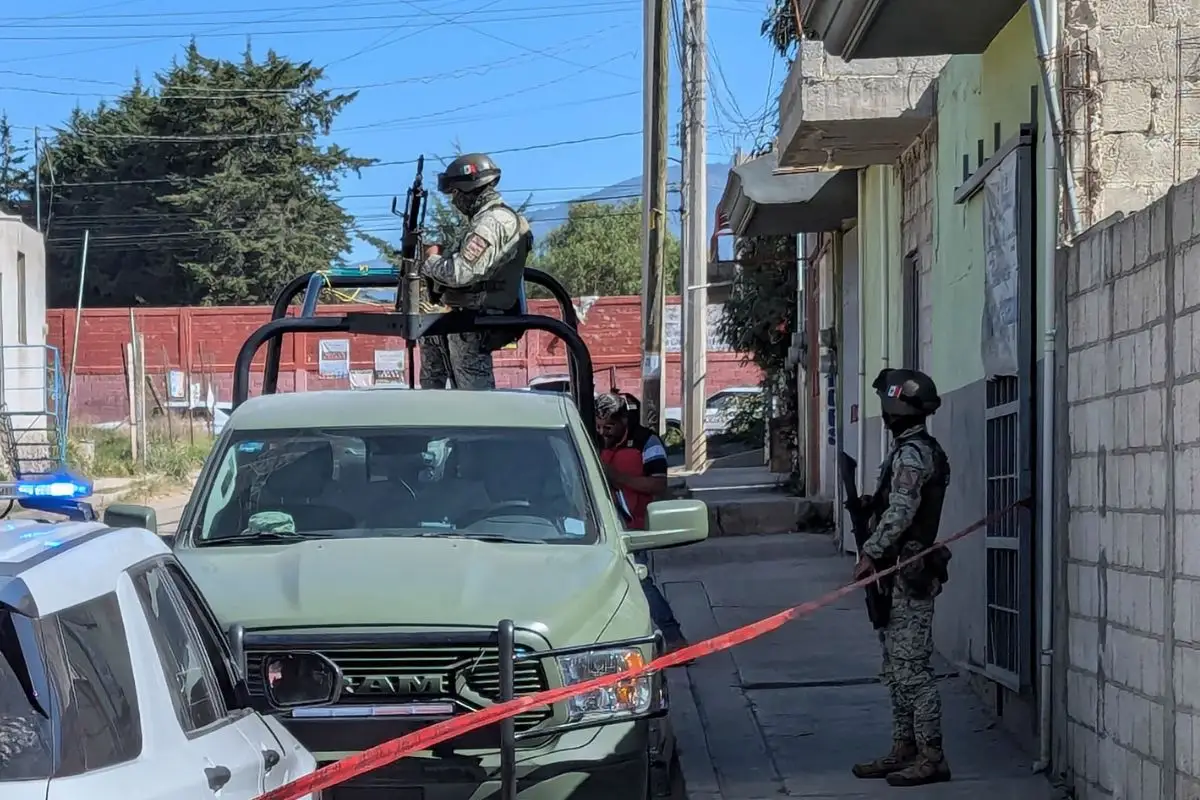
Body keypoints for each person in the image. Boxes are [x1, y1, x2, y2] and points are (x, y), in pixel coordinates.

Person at [849, 368, 952, 786]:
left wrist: (870, 553)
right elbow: (895, 504)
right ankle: (904, 748)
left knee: (911, 668)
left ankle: (932, 755)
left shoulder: (913, 454)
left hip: (907, 572)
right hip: (897, 574)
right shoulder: (907, 450)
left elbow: (903, 511)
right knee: (895, 666)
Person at [419, 153, 533, 390]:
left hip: (477, 321)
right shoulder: (484, 220)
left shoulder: (493, 222)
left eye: (456, 194)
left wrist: (430, 261)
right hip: (465, 318)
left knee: (476, 403)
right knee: (431, 350)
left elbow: (462, 272)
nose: (454, 202)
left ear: (470, 190)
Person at [595, 392, 687, 651]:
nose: (604, 432)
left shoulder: (648, 442)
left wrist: (616, 477)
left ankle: (674, 638)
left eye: (609, 427)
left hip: (633, 526)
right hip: (598, 527)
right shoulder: (592, 439)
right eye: (600, 426)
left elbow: (659, 484)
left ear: (624, 419)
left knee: (639, 580)